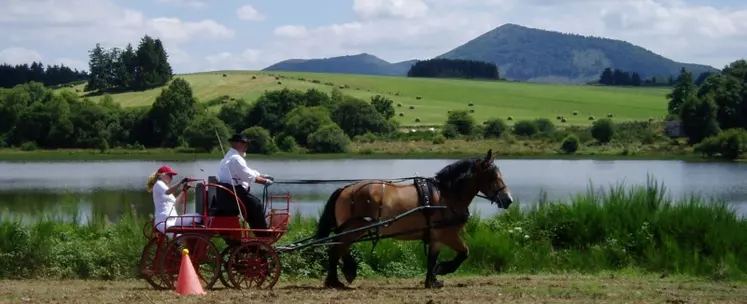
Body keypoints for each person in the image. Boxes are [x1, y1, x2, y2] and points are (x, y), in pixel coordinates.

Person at [212, 134, 274, 237]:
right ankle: (263, 235)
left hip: (227, 193)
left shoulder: (228, 157)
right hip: (233, 193)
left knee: (254, 204)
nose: (246, 147)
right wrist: (264, 181)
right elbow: (248, 176)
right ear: (238, 144)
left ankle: (258, 230)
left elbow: (247, 171)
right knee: (256, 205)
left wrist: (262, 175)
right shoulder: (236, 159)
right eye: (245, 144)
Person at [146, 165, 202, 238]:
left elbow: (176, 203)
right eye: (170, 175)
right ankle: (175, 247)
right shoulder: (158, 183)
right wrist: (180, 182)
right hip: (163, 221)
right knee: (179, 237)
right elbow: (168, 191)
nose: (172, 178)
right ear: (163, 175)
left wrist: (184, 190)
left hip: (174, 220)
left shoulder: (164, 188)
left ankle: (192, 240)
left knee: (197, 216)